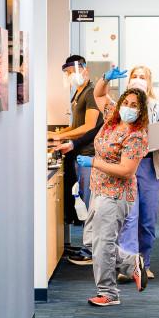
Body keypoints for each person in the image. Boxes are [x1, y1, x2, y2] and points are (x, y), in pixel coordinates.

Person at [76, 66, 150, 307]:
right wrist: (105, 79)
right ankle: (131, 263)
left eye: (134, 105)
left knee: (103, 244)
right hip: (99, 190)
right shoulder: (111, 120)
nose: (129, 107)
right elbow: (98, 95)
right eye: (126, 102)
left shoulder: (137, 135)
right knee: (91, 242)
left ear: (141, 111)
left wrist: (94, 162)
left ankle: (108, 293)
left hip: (117, 195)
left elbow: (127, 170)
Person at [117, 65, 159, 282]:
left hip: (150, 166)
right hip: (127, 166)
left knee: (148, 219)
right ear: (128, 80)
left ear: (149, 82)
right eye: (135, 76)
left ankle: (144, 263)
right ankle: (129, 267)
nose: (138, 80)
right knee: (129, 217)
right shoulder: (122, 108)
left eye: (143, 77)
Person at [48, 55, 104, 265]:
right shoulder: (77, 94)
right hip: (78, 153)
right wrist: (57, 135)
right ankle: (88, 245)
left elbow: (89, 126)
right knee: (83, 200)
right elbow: (75, 125)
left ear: (84, 70)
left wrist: (62, 136)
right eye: (67, 74)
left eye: (71, 72)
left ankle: (91, 250)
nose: (69, 77)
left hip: (89, 154)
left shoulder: (90, 93)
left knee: (91, 204)